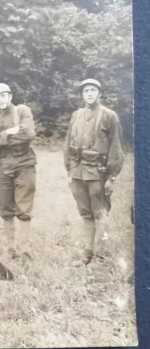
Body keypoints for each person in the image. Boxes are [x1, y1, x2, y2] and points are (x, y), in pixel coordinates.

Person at [64, 79, 124, 266]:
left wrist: (112, 177)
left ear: (99, 93)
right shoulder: (76, 115)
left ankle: (100, 255)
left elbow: (116, 147)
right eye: (86, 91)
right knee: (85, 213)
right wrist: (69, 170)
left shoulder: (109, 116)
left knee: (100, 212)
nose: (89, 93)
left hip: (98, 173)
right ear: (82, 95)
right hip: (77, 172)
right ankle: (87, 254)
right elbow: (68, 143)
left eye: (93, 90)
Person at [0, 83, 36, 260]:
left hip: (24, 163)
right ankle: (11, 248)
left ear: (10, 96)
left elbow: (27, 134)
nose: (1, 100)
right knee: (5, 205)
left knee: (24, 205)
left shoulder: (22, 111)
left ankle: (26, 249)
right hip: (2, 165)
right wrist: (9, 133)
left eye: (3, 96)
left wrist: (0, 137)